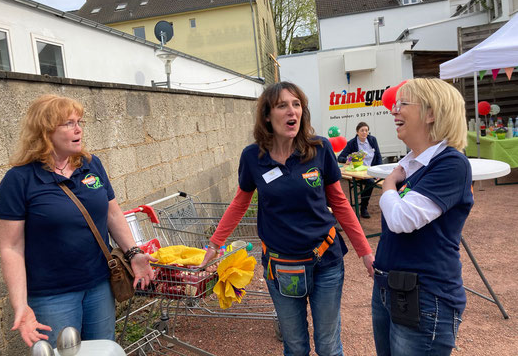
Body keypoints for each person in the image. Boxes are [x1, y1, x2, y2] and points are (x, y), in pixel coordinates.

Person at [200, 81, 374, 356]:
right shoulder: (252, 157)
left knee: (329, 346)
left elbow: (339, 203)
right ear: (267, 115)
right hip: (281, 268)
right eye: (282, 105)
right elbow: (239, 203)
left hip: (325, 261)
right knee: (294, 346)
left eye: (297, 105)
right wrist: (213, 245)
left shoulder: (320, 149)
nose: (292, 111)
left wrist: (365, 252)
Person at [0, 94, 156, 348]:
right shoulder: (19, 180)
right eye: (68, 123)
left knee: (102, 350)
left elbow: (113, 214)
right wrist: (21, 304)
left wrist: (134, 253)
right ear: (45, 131)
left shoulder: (91, 165)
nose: (78, 129)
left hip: (100, 286)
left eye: (79, 121)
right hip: (52, 296)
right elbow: (11, 247)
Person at [371, 78, 474, 356]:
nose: (394, 110)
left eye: (403, 104)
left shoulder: (451, 163)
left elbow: (402, 219)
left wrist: (388, 186)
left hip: (424, 297)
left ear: (431, 113)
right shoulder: (412, 163)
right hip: (391, 288)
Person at [337, 122, 383, 218]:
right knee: (370, 182)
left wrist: (379, 171)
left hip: (372, 170)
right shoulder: (352, 143)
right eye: (362, 130)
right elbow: (340, 157)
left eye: (366, 130)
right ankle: (363, 207)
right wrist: (347, 160)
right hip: (359, 172)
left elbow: (378, 156)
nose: (364, 132)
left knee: (386, 182)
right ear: (357, 132)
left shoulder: (372, 140)